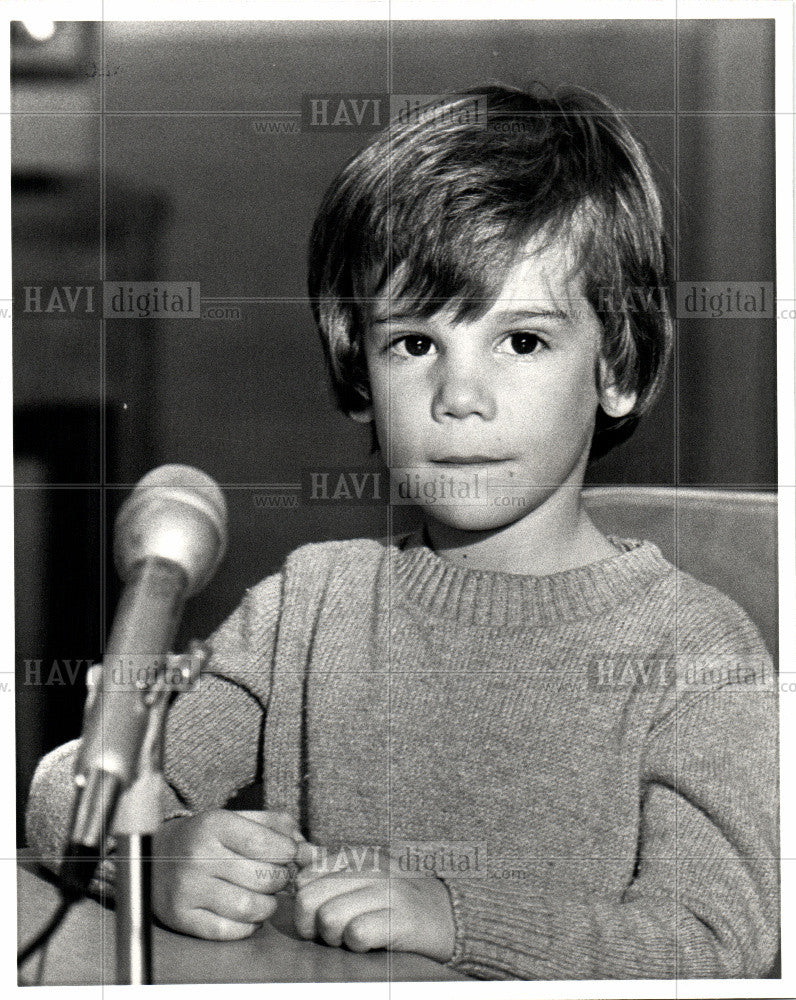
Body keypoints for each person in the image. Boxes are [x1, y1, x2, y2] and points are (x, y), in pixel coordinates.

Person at [26, 84, 779, 980]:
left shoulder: (695, 652)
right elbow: (64, 791)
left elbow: (720, 945)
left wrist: (452, 917)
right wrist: (150, 857)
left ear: (617, 366)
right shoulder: (307, 608)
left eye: (523, 342)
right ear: (359, 368)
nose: (460, 397)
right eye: (416, 343)